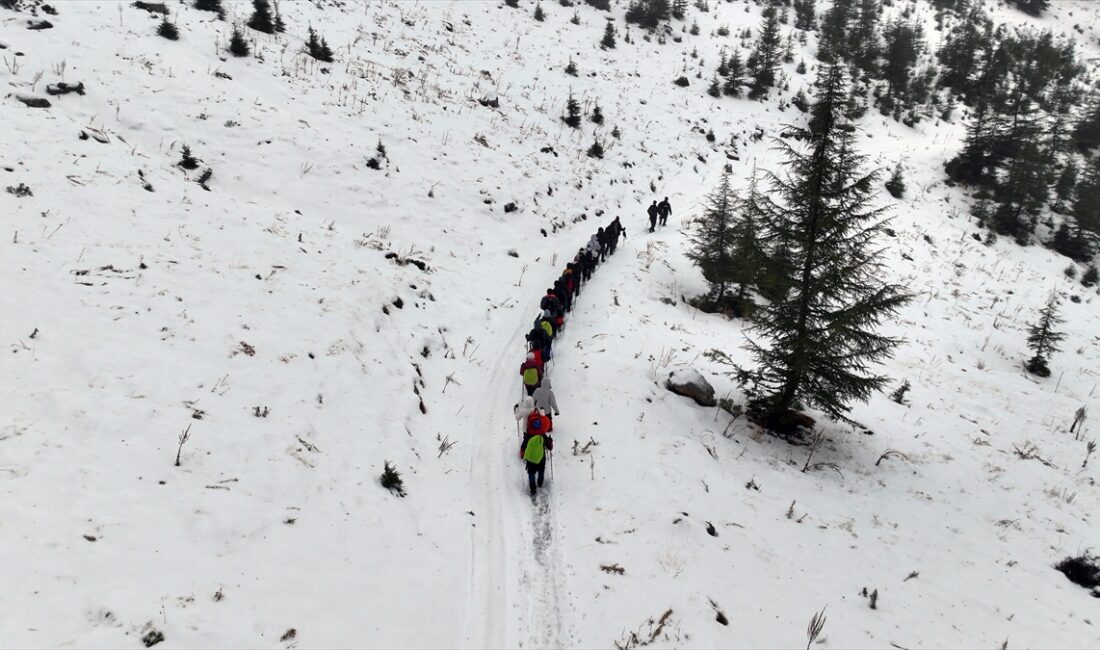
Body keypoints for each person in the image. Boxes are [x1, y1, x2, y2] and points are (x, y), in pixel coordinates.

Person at [521, 408, 554, 495]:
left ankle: (533, 487)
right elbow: (550, 447)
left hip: (530, 458)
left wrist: (522, 454)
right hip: (541, 457)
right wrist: (550, 441)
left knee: (531, 472)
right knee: (541, 469)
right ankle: (540, 482)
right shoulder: (542, 435)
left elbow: (523, 446)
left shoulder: (529, 434)